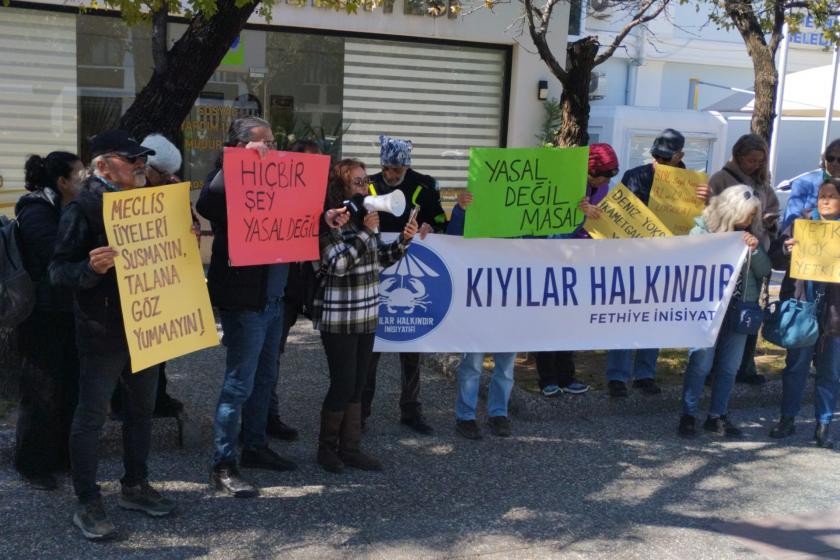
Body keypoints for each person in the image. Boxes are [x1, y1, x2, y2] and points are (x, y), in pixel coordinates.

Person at [50, 130, 176, 540]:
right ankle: (87, 501)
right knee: (91, 418)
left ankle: (135, 486)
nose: (140, 164)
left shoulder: (149, 203)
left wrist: (184, 244)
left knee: (141, 411)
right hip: (103, 331)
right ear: (103, 165)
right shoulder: (83, 209)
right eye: (131, 158)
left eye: (142, 158)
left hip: (149, 326)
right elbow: (57, 272)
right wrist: (91, 270)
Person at [197, 117, 297, 498]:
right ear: (239, 146)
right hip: (245, 301)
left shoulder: (279, 177)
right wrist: (235, 164)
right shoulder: (223, 178)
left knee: (265, 378)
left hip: (275, 298)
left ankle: (255, 446)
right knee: (239, 383)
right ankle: (223, 464)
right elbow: (207, 204)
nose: (269, 148)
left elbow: (298, 219)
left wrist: (325, 219)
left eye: (272, 141)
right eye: (261, 143)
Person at [313, 158, 417, 472]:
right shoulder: (330, 223)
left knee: (358, 384)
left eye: (364, 181)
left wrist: (403, 241)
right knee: (342, 383)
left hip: (367, 316)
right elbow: (337, 265)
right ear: (341, 187)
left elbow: (381, 260)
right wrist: (365, 234)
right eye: (357, 182)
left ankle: (351, 448)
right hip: (340, 319)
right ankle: (326, 449)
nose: (364, 186)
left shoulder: (364, 222)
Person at [605, 129, 704, 398]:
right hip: (634, 258)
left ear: (680, 156)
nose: (658, 159)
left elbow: (700, 221)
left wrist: (706, 199)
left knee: (656, 317)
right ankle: (617, 376)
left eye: (665, 156)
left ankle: (645, 374)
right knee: (625, 317)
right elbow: (619, 214)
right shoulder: (635, 175)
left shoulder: (693, 185)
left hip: (668, 260)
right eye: (655, 154)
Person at [362, 135, 448, 435]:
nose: (390, 174)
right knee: (370, 351)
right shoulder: (368, 184)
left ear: (406, 165)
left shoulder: (424, 185)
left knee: (411, 349)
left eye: (396, 168)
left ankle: (411, 411)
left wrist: (431, 226)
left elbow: (440, 219)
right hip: (375, 273)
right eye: (386, 168)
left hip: (414, 275)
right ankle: (361, 412)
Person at [13, 151, 85, 491]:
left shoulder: (66, 208)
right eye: (80, 174)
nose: (85, 179)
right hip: (41, 315)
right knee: (41, 390)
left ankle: (61, 456)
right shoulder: (35, 211)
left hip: (67, 312)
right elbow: (56, 254)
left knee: (69, 385)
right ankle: (32, 462)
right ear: (62, 182)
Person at [678, 185, 771, 438]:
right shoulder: (702, 229)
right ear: (731, 210)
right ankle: (689, 414)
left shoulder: (751, 236)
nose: (750, 220)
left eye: (753, 216)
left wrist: (755, 250)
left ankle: (717, 415)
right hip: (707, 309)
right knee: (700, 363)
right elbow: (687, 260)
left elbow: (764, 271)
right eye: (747, 214)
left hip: (740, 308)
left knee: (730, 367)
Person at [109, 133, 189, 421]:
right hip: (132, 287)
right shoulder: (124, 195)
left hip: (159, 283)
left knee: (160, 346)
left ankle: (157, 396)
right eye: (164, 173)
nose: (168, 178)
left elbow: (183, 231)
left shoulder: (165, 192)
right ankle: (122, 401)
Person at [536, 143, 620, 398]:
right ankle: (547, 378)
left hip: (585, 265)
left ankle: (567, 376)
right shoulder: (566, 186)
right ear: (587, 170)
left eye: (608, 177)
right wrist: (580, 217)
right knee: (549, 322)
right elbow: (551, 234)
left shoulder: (607, 190)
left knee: (570, 324)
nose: (604, 181)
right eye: (600, 175)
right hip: (555, 262)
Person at [768, 178, 840, 448]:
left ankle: (823, 425)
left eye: (832, 196)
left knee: (830, 371)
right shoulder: (800, 225)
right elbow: (775, 257)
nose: (825, 200)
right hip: (802, 307)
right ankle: (787, 419)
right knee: (795, 368)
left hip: (833, 314)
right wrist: (786, 249)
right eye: (822, 195)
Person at [260, 138, 323, 442]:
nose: (310, 167)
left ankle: (350, 421)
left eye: (316, 161)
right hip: (280, 287)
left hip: (309, 283)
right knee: (271, 355)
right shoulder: (273, 189)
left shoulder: (324, 192)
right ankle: (266, 417)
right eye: (304, 161)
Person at [707, 134, 780, 386]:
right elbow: (710, 214)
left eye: (760, 161)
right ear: (738, 156)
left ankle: (744, 366)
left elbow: (773, 208)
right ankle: (713, 368)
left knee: (749, 313)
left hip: (754, 254)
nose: (755, 165)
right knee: (720, 314)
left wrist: (770, 221)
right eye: (751, 160)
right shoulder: (720, 178)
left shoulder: (763, 183)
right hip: (725, 257)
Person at [445, 190, 516, 438]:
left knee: (505, 364)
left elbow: (555, 238)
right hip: (478, 300)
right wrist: (461, 210)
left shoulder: (525, 223)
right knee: (472, 363)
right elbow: (452, 236)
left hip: (511, 303)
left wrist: (580, 217)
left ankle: (499, 414)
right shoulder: (476, 213)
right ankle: (466, 417)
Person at [780, 139, 840, 232]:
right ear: (825, 159)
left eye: (839, 160)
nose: (835, 163)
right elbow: (790, 221)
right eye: (831, 158)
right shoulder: (803, 183)